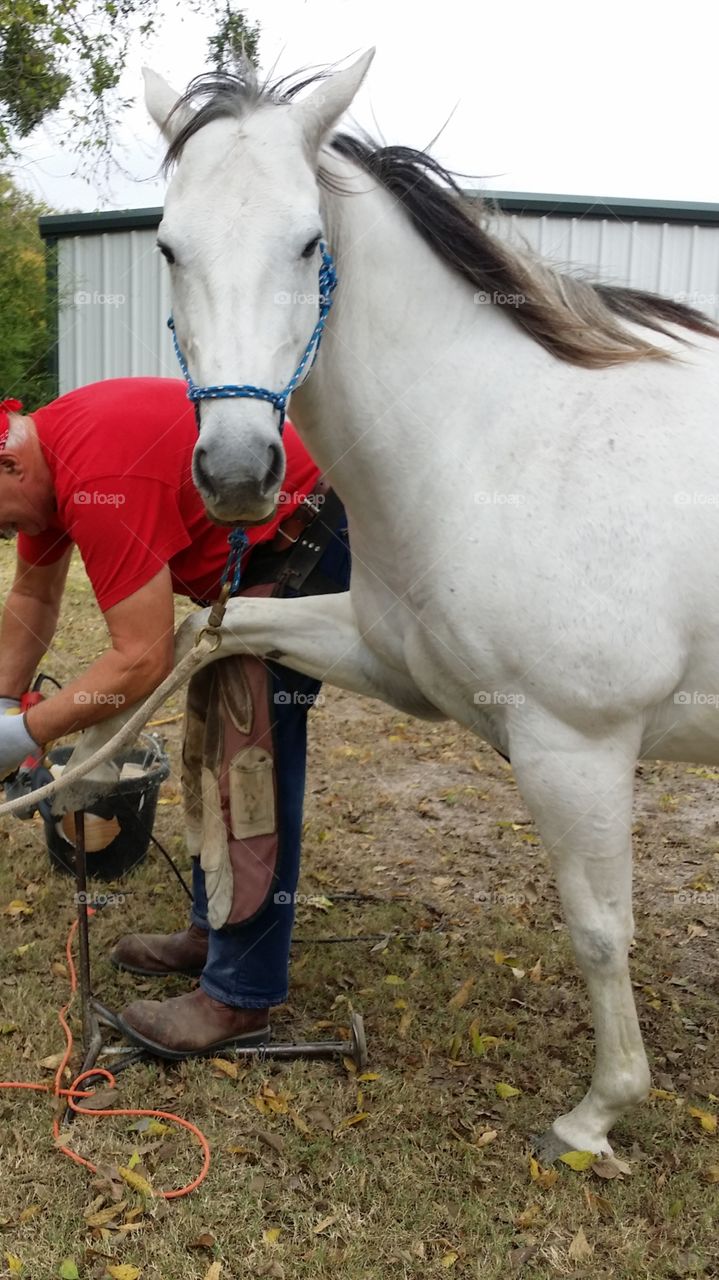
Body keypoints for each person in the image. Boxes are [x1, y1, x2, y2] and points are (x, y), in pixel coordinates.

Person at [0, 379, 350, 1057]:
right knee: (211, 749)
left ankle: (240, 997)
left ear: (7, 463)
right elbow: (32, 597)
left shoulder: (96, 475)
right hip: (260, 558)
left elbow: (140, 659)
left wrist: (24, 735)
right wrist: (3, 705)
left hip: (311, 536)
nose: (5, 533)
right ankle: (213, 924)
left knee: (249, 758)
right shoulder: (46, 458)